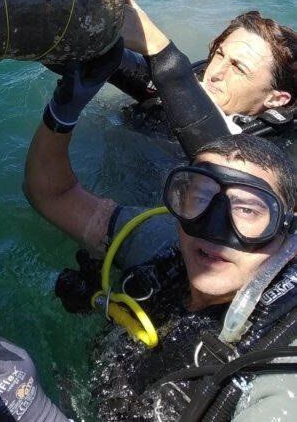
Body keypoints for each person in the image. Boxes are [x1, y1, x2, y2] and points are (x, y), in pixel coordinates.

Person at [23, 42, 297, 420]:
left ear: (285, 228)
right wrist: (62, 112)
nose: (215, 229)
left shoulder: (283, 357)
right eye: (199, 197)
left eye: (247, 208)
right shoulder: (170, 244)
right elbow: (53, 195)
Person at [115, 0, 297, 157]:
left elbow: (217, 160)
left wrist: (160, 51)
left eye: (239, 68)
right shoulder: (193, 80)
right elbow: (137, 74)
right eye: (219, 54)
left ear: (276, 99)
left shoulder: (273, 156)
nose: (215, 73)